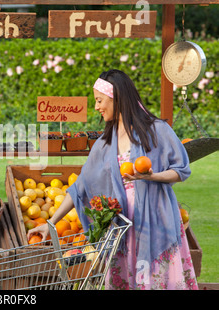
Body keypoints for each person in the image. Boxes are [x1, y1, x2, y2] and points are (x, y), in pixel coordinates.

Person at [27, 69, 198, 290]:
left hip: (156, 223)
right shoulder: (104, 144)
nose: (96, 107)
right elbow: (80, 188)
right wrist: (50, 224)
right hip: (122, 230)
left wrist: (152, 176)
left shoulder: (157, 131)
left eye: (99, 100)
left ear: (116, 97)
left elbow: (180, 170)